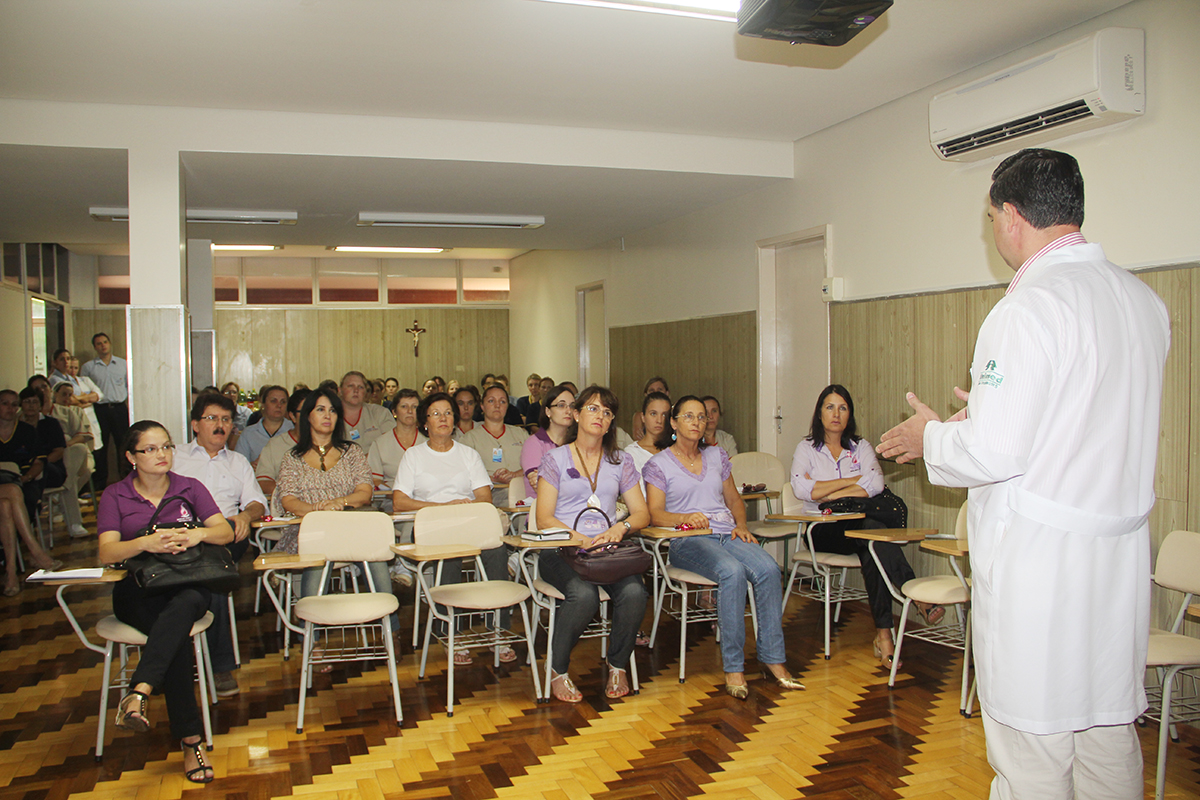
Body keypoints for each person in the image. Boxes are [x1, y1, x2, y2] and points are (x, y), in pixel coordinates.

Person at [877, 149, 1171, 800]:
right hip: (1115, 562)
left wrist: (934, 436)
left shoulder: (1027, 308)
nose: (993, 230)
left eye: (990, 218)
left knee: (1031, 751)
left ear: (1011, 216)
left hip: (1044, 570)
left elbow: (997, 454)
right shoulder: (1142, 302)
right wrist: (980, 414)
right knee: (1106, 740)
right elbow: (1078, 426)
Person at [96, 420, 235, 783]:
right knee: (172, 636)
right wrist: (146, 542)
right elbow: (106, 550)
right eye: (150, 449)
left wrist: (195, 534)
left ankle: (140, 691)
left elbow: (225, 531)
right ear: (130, 456)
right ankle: (191, 744)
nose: (162, 455)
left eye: (166, 447)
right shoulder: (115, 495)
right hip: (138, 590)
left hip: (188, 582)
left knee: (183, 607)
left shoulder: (190, 488)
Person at [644, 396, 804, 699]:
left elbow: (733, 500)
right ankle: (734, 666)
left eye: (701, 417)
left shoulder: (717, 456)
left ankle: (774, 660)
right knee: (731, 572)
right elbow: (655, 513)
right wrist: (685, 518)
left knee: (769, 569)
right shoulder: (658, 464)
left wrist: (741, 525)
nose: (696, 422)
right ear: (674, 423)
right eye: (688, 416)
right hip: (687, 539)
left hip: (726, 533)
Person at [790, 384, 938, 667]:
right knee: (872, 534)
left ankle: (884, 636)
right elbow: (801, 488)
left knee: (871, 543)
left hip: (858, 528)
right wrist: (852, 481)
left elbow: (876, 483)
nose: (836, 414)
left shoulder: (862, 447)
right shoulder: (806, 448)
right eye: (830, 407)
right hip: (822, 529)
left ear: (850, 414)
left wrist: (828, 492)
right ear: (819, 413)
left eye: (843, 408)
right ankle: (913, 591)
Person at [535, 385, 648, 702]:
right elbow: (544, 517)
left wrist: (620, 528)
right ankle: (558, 670)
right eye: (594, 408)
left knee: (636, 591)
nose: (601, 416)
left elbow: (641, 513)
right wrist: (579, 538)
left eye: (607, 412)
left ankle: (618, 665)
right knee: (583, 596)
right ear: (576, 414)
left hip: (605, 552)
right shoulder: (555, 459)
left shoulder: (620, 461)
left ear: (612, 423)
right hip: (562, 549)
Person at [391, 392, 512, 664]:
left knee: (497, 550)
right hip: (429, 527)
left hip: (467, 523)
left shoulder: (468, 455)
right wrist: (440, 508)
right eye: (436, 413)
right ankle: (449, 632)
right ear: (425, 422)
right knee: (450, 554)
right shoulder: (414, 456)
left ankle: (500, 629)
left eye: (447, 412)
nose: (443, 418)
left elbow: (484, 497)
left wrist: (461, 509)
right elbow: (399, 501)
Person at [172, 392, 268, 698]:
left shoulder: (238, 461)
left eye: (226, 420)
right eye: (212, 418)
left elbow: (257, 502)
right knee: (206, 576)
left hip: (228, 533)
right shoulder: (175, 458)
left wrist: (246, 515)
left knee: (212, 565)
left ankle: (218, 665)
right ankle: (198, 659)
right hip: (182, 534)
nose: (220, 425)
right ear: (195, 425)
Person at [271, 388, 385, 601]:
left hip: (349, 525)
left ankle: (391, 625)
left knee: (375, 543)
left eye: (332, 411)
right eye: (320, 409)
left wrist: (337, 502)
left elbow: (364, 493)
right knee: (318, 540)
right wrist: (318, 510)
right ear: (307, 416)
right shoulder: (292, 458)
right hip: (307, 529)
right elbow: (289, 501)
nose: (327, 415)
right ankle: (309, 627)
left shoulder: (352, 452)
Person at [460, 384, 529, 507]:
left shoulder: (521, 434)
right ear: (482, 406)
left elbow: (535, 465)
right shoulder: (469, 439)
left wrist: (514, 475)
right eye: (491, 401)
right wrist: (492, 479)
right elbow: (463, 474)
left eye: (502, 401)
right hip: (490, 494)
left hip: (522, 489)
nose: (497, 405)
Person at [80, 332, 129, 487]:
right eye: (99, 343)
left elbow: (130, 387)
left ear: (110, 343)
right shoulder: (88, 367)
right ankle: (100, 483)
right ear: (95, 347)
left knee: (123, 444)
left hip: (119, 409)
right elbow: (83, 390)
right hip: (99, 411)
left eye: (105, 342)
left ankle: (126, 479)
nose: (103, 346)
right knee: (100, 446)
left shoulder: (123, 364)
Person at [47, 382, 95, 537]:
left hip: (75, 450)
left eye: (70, 394)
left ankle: (58, 496)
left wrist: (68, 443)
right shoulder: (37, 416)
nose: (67, 398)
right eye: (63, 394)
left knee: (80, 457)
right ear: (54, 394)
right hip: (55, 455)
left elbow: (83, 436)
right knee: (71, 478)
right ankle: (73, 520)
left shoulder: (73, 412)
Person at [520, 383, 575, 499]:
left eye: (572, 406)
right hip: (542, 509)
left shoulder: (577, 443)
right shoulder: (534, 443)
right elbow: (539, 485)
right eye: (561, 405)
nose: (568, 410)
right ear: (548, 411)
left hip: (575, 508)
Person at [367, 389, 425, 490]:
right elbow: (375, 480)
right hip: (391, 500)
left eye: (414, 407)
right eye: (404, 406)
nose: (410, 411)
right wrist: (395, 494)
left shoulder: (428, 441)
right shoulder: (380, 443)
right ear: (394, 412)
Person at [255, 388, 307, 497]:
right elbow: (263, 482)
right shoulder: (275, 445)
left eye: (317, 410)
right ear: (292, 416)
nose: (311, 417)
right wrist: (296, 494)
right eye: (305, 412)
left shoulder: (332, 445)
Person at [233, 385, 292, 466]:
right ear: (263, 404)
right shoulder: (248, 434)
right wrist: (250, 467)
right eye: (273, 401)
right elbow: (237, 465)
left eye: (283, 402)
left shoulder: (295, 431)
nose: (279, 406)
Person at [338, 371, 395, 451]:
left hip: (375, 462)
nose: (356, 390)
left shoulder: (380, 413)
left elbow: (391, 444)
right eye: (351, 386)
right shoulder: (331, 415)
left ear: (365, 392)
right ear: (340, 390)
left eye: (360, 387)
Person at [625, 391, 670, 478]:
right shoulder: (632, 453)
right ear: (643, 417)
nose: (659, 420)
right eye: (653, 414)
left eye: (664, 415)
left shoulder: (676, 450)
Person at [630, 376, 669, 441]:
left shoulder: (674, 413)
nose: (656, 392)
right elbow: (638, 438)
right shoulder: (639, 416)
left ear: (667, 393)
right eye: (652, 390)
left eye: (660, 390)